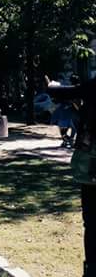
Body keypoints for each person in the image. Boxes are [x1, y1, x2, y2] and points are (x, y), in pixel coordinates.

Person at [47, 77, 96, 277]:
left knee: (92, 221)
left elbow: (61, 92)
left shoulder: (92, 86)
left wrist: (52, 85)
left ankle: (92, 269)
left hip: (92, 162)